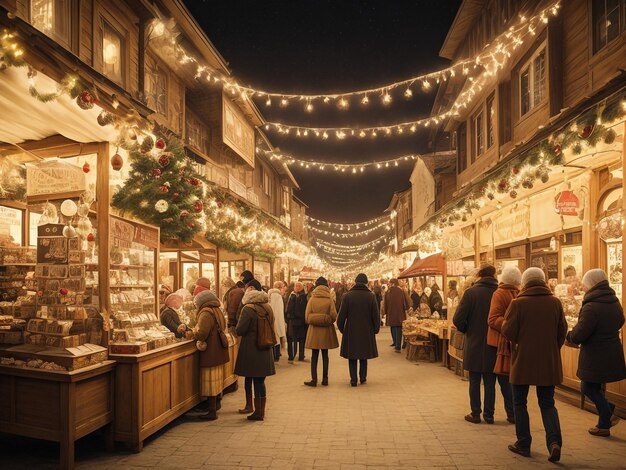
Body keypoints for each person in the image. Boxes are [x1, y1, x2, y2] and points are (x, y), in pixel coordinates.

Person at [502, 267, 567, 462]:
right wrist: (552, 348)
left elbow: (508, 331)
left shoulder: (518, 303)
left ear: (525, 282)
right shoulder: (555, 302)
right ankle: (554, 442)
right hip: (548, 361)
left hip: (523, 360)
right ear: (543, 281)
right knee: (547, 403)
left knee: (519, 402)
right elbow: (562, 331)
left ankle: (523, 443)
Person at [566, 269, 626, 437]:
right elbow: (621, 320)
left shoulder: (591, 306)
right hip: (611, 350)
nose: (584, 288)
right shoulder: (613, 300)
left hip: (595, 353)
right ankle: (607, 417)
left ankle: (606, 417)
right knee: (594, 387)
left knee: (587, 387)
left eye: (585, 284)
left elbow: (580, 332)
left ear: (592, 284)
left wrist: (569, 335)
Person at [453, 264, 498, 424]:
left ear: (479, 275)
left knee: (474, 380)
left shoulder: (470, 293)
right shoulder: (499, 293)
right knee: (490, 382)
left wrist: (468, 330)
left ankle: (475, 413)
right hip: (494, 344)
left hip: (474, 342)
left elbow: (458, 319)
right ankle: (489, 415)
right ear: (494, 276)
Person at [234, 279, 276, 421]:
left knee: (252, 378)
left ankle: (256, 411)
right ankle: (260, 411)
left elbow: (240, 329)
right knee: (260, 381)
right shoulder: (268, 307)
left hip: (251, 349)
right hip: (265, 348)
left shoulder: (248, 309)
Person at [487, 266, 521, 424]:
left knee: (503, 380)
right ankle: (512, 413)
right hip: (511, 343)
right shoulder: (517, 294)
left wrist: (509, 327)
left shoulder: (500, 293)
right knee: (507, 380)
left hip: (499, 343)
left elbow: (492, 319)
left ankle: (509, 413)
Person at [188, 290, 229, 420]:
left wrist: (191, 333)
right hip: (218, 350)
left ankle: (212, 412)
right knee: (216, 379)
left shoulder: (205, 312)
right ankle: (216, 404)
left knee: (210, 380)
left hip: (211, 350)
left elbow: (201, 334)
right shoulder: (217, 310)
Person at [337, 273, 380, 386]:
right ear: (366, 283)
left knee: (352, 355)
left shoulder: (347, 296)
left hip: (351, 330)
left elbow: (341, 316)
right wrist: (375, 329)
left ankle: (353, 379)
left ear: (355, 282)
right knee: (363, 355)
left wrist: (342, 329)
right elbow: (376, 315)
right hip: (366, 330)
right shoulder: (371, 296)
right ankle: (363, 378)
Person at [303, 277, 339, 386]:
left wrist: (315, 318)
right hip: (326, 331)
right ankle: (325, 379)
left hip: (314, 331)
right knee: (325, 355)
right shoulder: (329, 299)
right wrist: (325, 319)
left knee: (314, 356)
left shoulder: (312, 299)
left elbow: (306, 316)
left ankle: (314, 380)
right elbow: (334, 316)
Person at [286, 281, 308, 363]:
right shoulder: (292, 296)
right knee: (293, 338)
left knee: (301, 338)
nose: (297, 287)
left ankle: (301, 355)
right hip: (294, 321)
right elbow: (288, 308)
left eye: (299, 286)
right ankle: (292, 355)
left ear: (302, 287)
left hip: (301, 321)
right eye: (296, 286)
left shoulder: (303, 296)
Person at [385, 278, 408, 353]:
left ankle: (396, 344)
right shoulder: (401, 291)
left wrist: (386, 312)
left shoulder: (388, 292)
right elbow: (406, 302)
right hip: (400, 313)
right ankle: (397, 345)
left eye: (390, 283)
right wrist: (406, 309)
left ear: (393, 283)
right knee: (398, 329)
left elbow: (386, 304)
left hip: (391, 313)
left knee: (393, 327)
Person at [268, 281, 287, 362]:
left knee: (273, 337)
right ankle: (276, 356)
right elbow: (278, 312)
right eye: (283, 287)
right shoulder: (278, 296)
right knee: (277, 337)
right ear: (279, 288)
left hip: (271, 320)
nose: (284, 289)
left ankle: (273, 355)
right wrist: (281, 324)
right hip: (276, 320)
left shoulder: (270, 295)